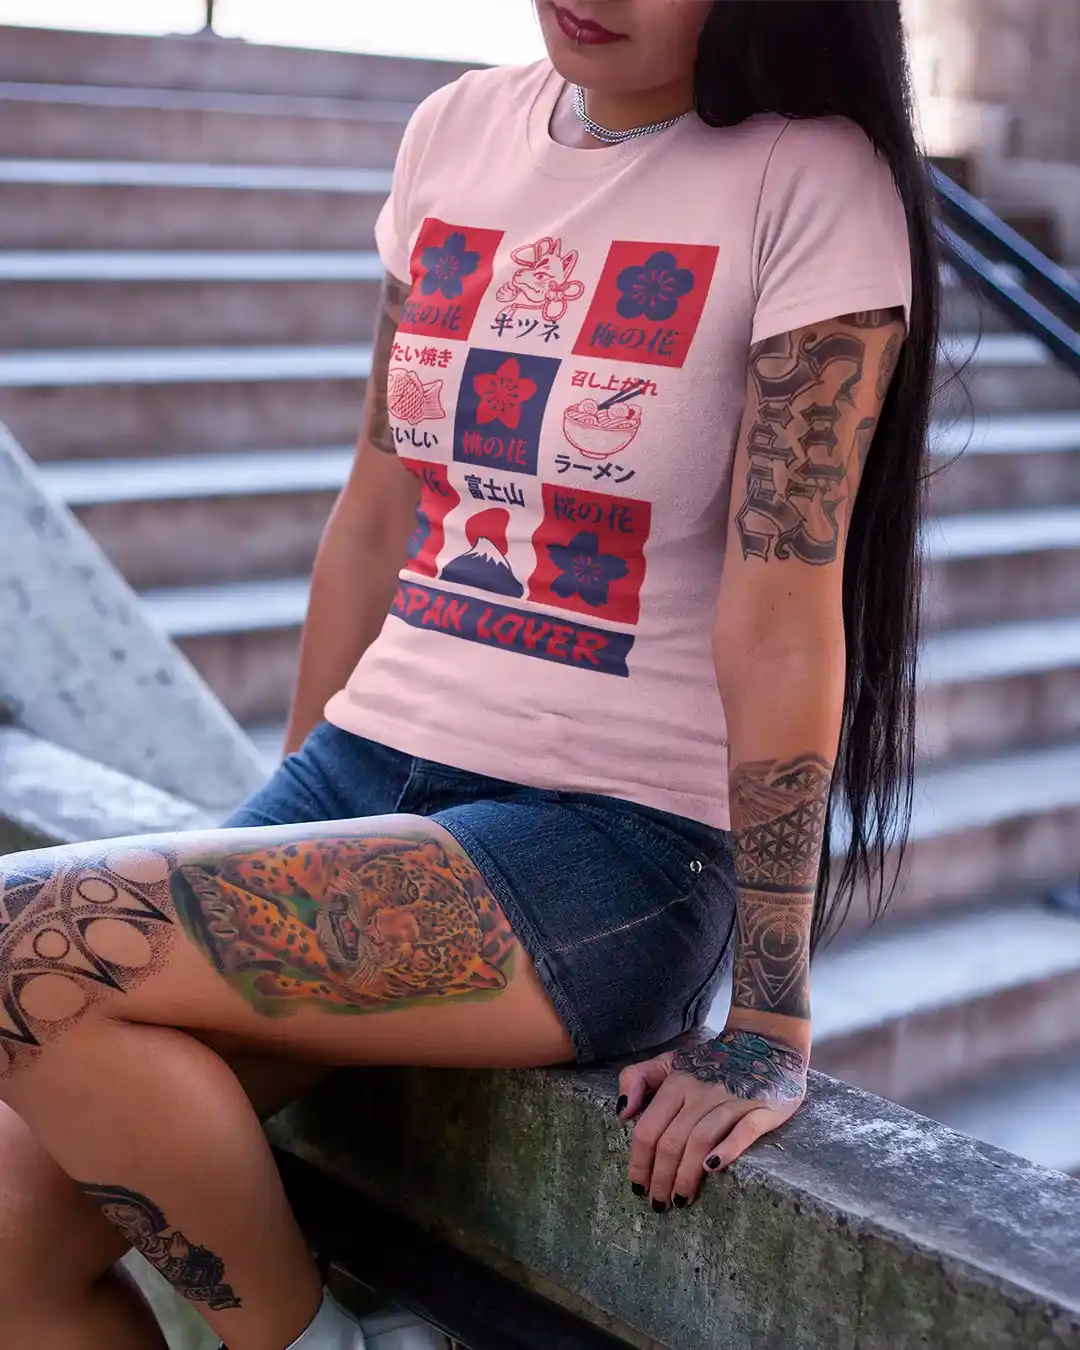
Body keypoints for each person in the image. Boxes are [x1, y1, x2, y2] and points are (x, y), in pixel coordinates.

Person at [0, 2, 938, 1347]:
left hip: (603, 843)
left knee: (21, 938)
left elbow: (785, 615)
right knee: (13, 1246)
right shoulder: (455, 129)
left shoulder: (814, 179)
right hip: (364, 768)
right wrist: (274, 843)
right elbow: (376, 508)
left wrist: (769, 1015)